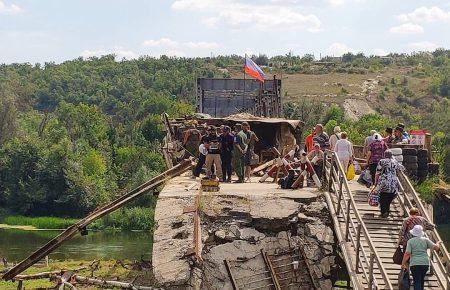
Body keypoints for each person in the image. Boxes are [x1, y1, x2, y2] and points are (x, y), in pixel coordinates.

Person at [401, 225, 442, 290]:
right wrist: (438, 243)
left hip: (415, 264)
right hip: (425, 264)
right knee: (421, 280)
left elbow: (407, 254)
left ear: (413, 233)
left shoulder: (410, 241)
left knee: (417, 281)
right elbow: (436, 248)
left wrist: (403, 263)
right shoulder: (425, 240)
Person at [374, 149, 404, 217]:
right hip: (393, 181)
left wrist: (376, 182)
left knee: (382, 196)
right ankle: (387, 211)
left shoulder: (382, 161)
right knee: (390, 196)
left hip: (384, 180)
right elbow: (402, 168)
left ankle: (384, 211)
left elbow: (378, 172)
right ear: (391, 155)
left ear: (385, 155)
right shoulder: (395, 162)